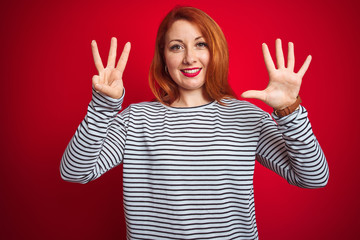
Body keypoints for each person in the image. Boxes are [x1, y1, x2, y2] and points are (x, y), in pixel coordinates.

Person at [60, 6, 329, 240]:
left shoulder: (247, 116)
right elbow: (74, 172)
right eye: (177, 46)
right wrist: (104, 106)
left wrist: (288, 110)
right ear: (164, 58)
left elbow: (314, 178)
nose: (189, 57)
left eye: (201, 44)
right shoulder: (137, 119)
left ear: (215, 52)